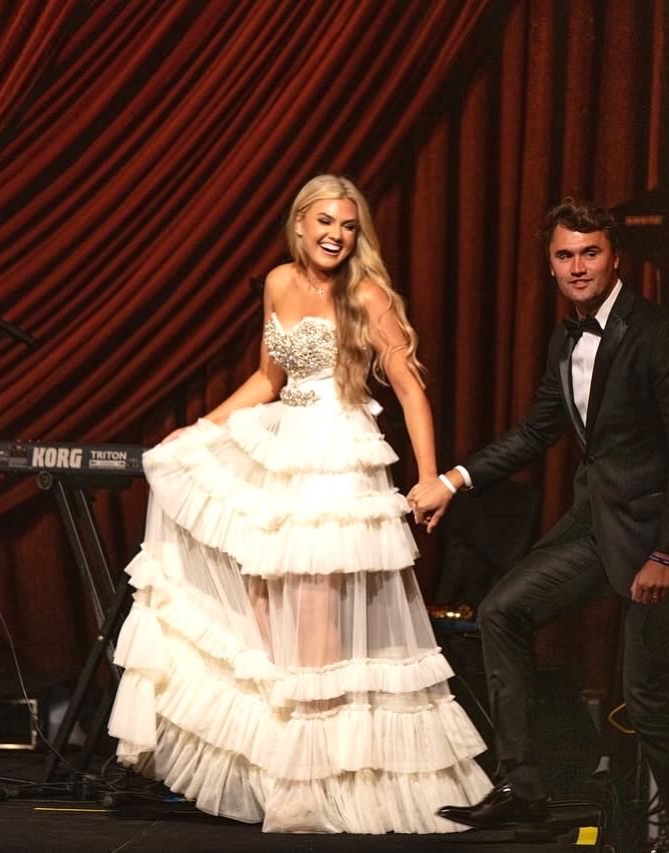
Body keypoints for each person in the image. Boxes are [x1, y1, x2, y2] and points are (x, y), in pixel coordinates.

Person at [107, 174, 490, 833]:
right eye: (324, 222)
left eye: (347, 225)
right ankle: (279, 772)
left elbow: (409, 388)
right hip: (280, 452)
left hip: (338, 459)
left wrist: (428, 476)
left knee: (315, 625)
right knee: (263, 611)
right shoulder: (278, 282)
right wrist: (203, 428)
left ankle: (319, 788)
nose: (335, 235)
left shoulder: (367, 294)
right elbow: (266, 376)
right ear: (299, 223)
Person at [408, 197, 669, 851]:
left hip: (658, 539)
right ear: (549, 264)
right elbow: (536, 431)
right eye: (564, 254)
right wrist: (453, 480)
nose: (577, 266)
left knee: (648, 704)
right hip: (596, 522)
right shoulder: (563, 337)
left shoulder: (656, 332)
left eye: (589, 252)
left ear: (613, 257)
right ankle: (521, 786)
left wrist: (665, 553)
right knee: (501, 611)